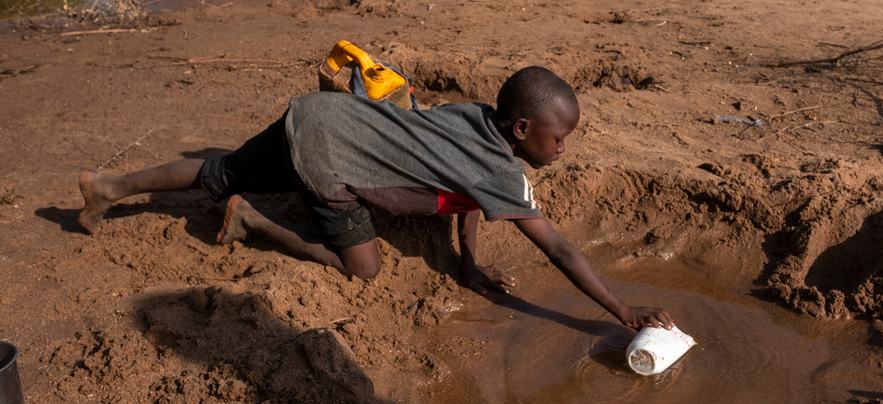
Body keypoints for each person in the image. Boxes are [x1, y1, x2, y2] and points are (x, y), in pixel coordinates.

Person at [78, 66, 674, 330]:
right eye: (560, 138)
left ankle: (110, 186)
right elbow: (562, 252)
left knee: (221, 170)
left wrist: (466, 264)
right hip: (331, 162)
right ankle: (254, 221)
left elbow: (466, 196)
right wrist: (623, 311)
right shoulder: (503, 174)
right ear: (522, 131)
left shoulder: (475, 116)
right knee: (363, 269)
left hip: (316, 115)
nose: (564, 149)